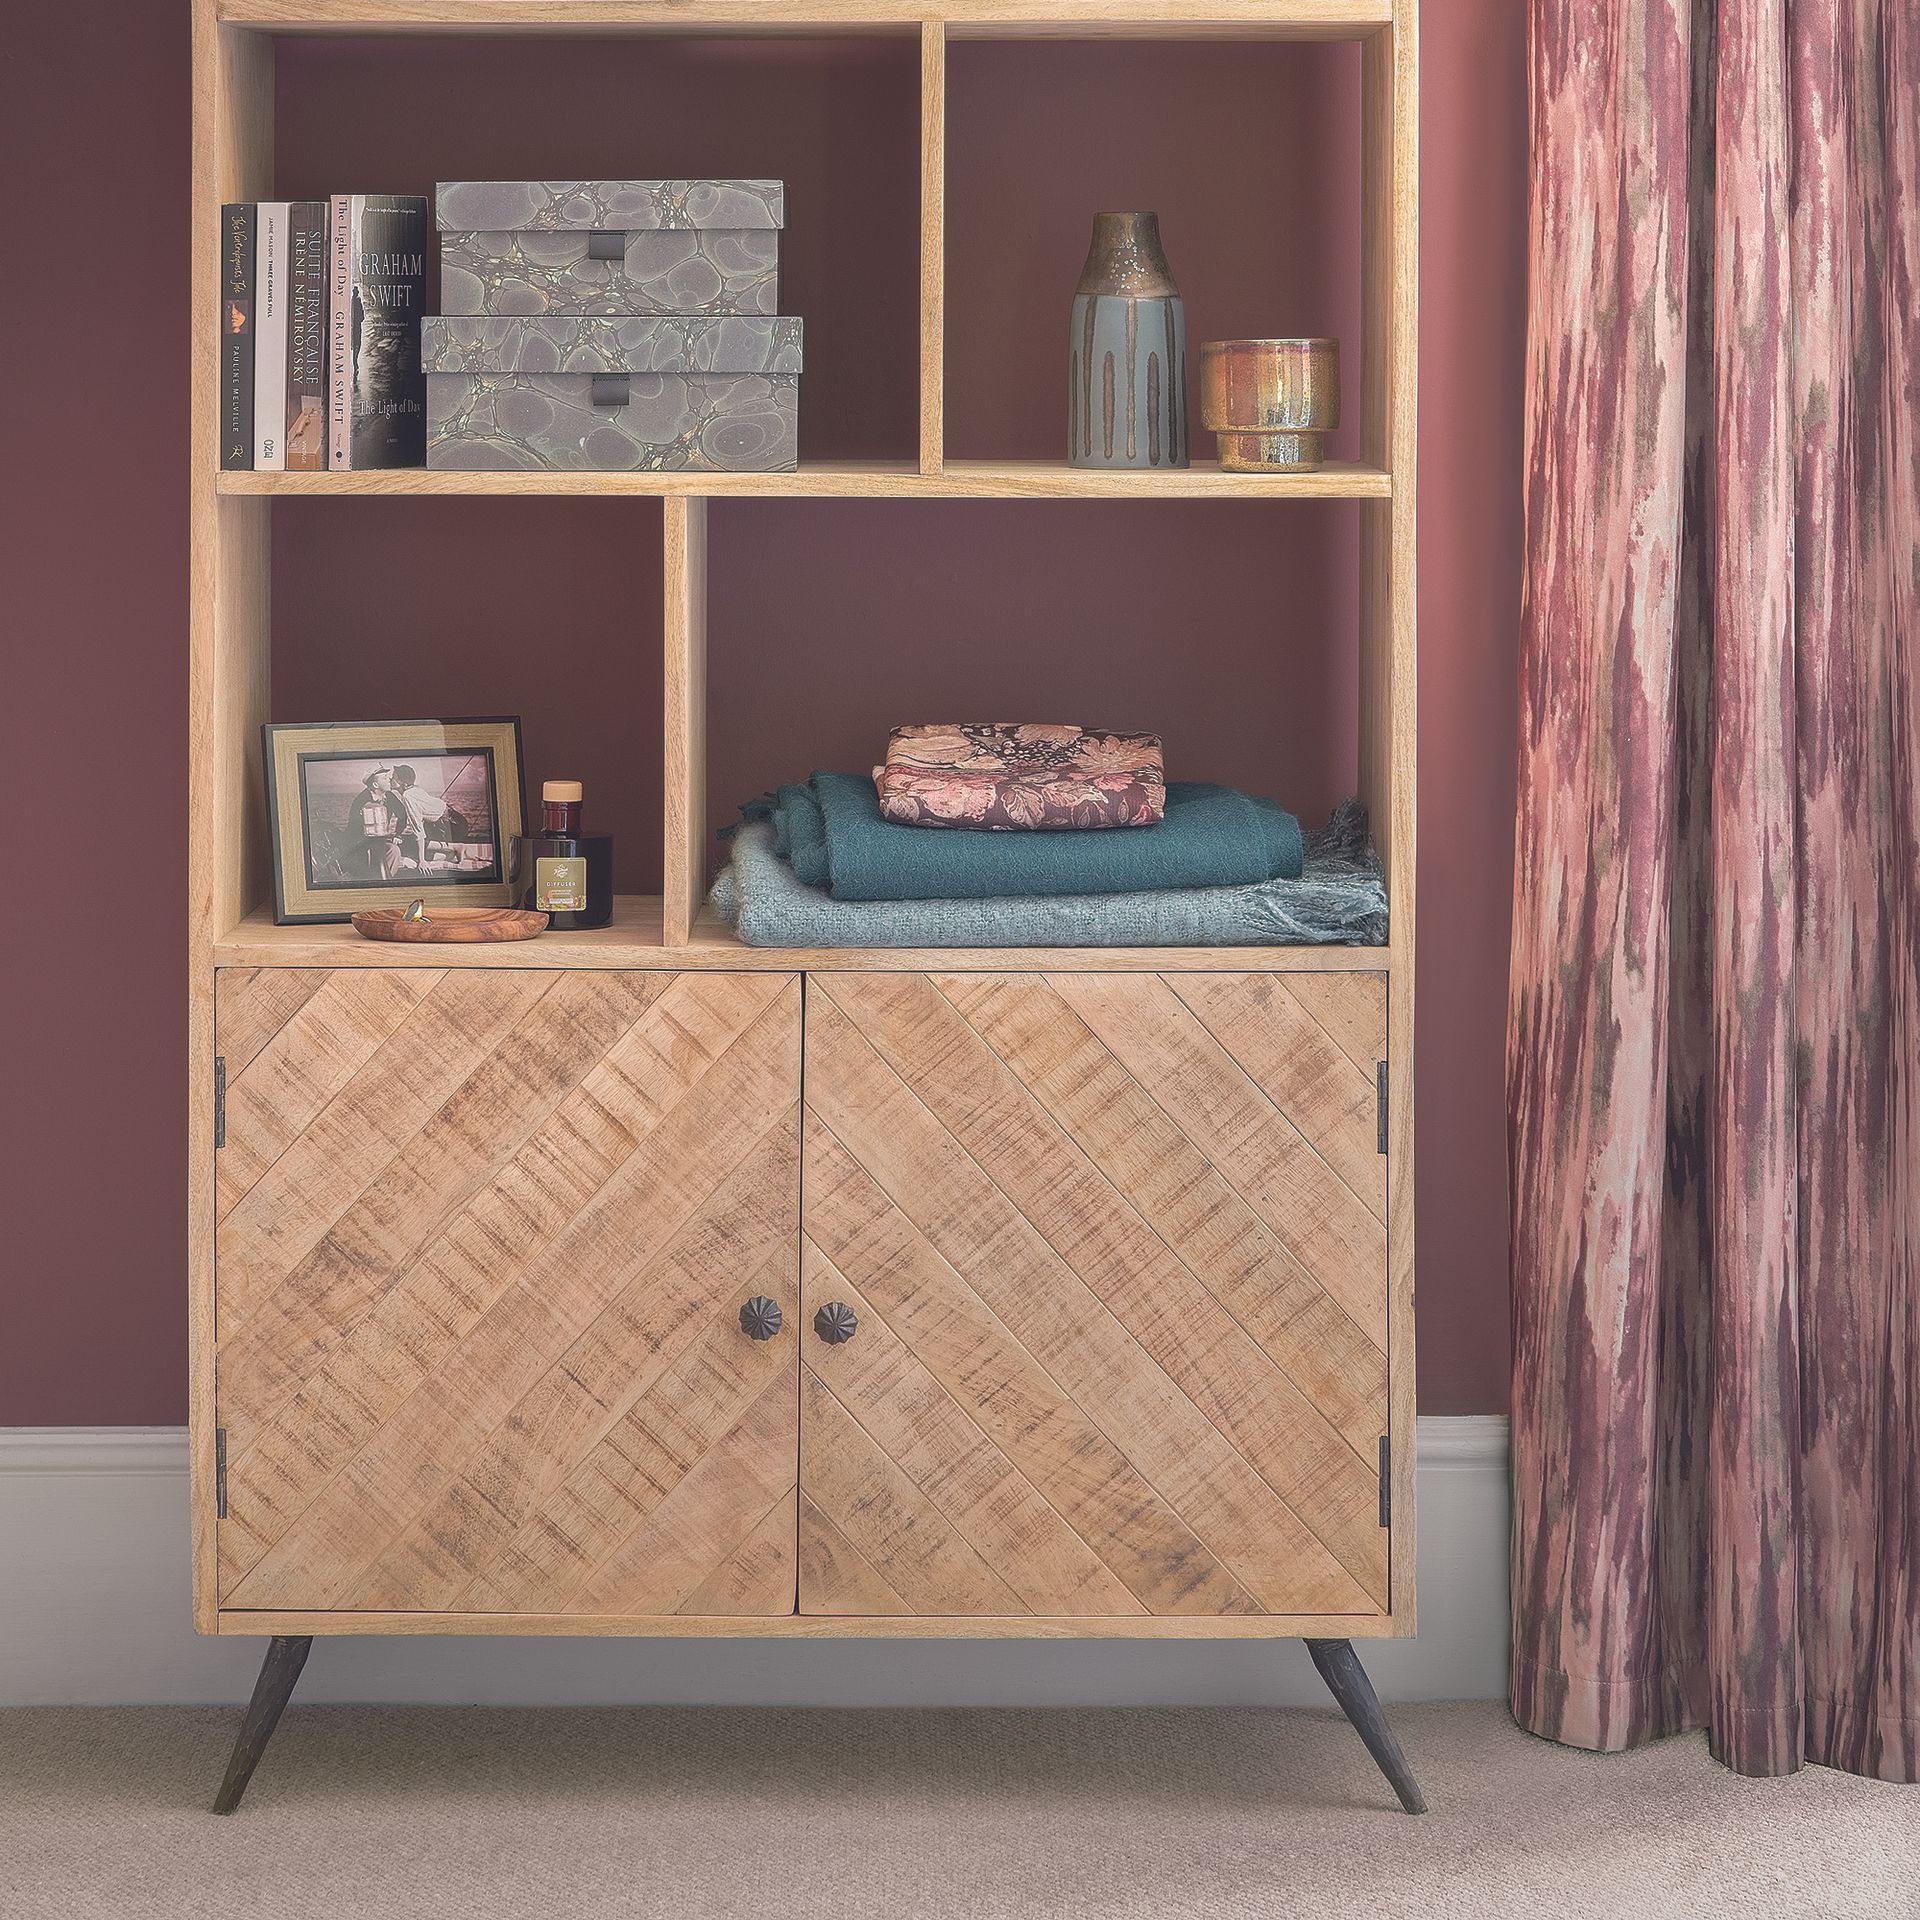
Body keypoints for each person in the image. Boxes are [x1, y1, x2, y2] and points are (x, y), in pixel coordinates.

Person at [343, 767, 403, 879]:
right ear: (375, 785)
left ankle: (384, 881)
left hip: (379, 841)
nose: (389, 779)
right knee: (370, 855)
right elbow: (353, 829)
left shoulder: (389, 796)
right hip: (360, 844)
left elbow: (402, 814)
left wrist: (397, 834)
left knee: (394, 851)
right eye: (385, 778)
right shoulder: (362, 801)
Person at [392, 764, 452, 872]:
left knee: (414, 847)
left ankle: (456, 849)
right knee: (413, 844)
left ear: (404, 783)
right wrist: (399, 835)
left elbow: (418, 830)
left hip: (450, 824)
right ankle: (453, 850)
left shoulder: (408, 796)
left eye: (394, 778)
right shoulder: (414, 789)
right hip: (446, 818)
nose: (391, 779)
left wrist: (422, 861)